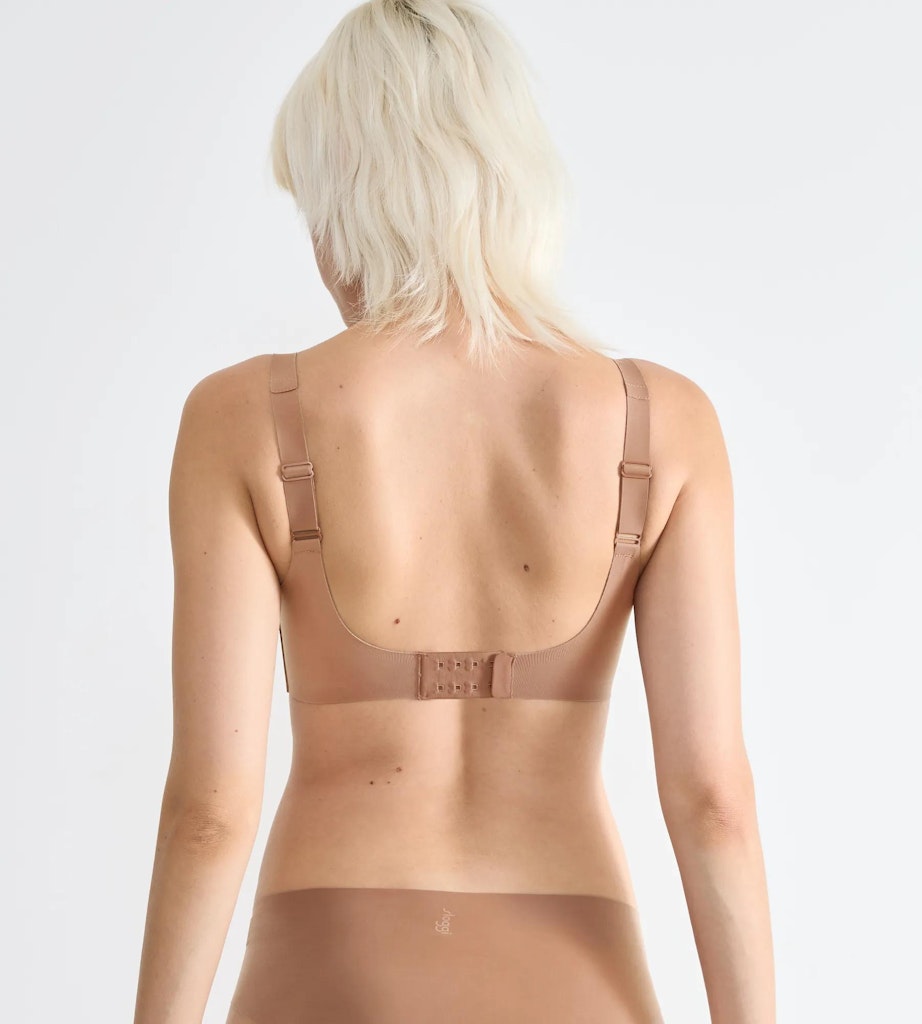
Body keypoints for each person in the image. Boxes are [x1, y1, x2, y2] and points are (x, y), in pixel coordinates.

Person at [132, 2, 775, 1022]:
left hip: (328, 963)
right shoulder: (664, 423)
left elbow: (210, 813)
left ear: (357, 197)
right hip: (577, 972)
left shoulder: (242, 417)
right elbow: (713, 802)